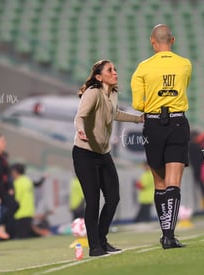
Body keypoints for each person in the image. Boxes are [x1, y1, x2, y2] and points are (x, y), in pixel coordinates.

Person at [73, 60, 143, 257]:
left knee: (113, 198)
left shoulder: (112, 93)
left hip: (103, 154)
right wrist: (80, 131)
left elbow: (114, 114)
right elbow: (80, 116)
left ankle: (101, 240)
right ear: (98, 76)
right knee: (93, 201)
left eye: (115, 69)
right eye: (110, 70)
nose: (115, 72)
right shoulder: (92, 93)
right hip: (85, 154)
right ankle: (94, 247)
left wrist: (138, 118)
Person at [131, 24, 192, 249]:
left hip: (153, 125)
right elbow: (184, 87)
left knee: (159, 183)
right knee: (174, 182)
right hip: (177, 121)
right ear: (172, 40)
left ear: (152, 41)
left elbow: (138, 104)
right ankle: (169, 235)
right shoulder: (185, 64)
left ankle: (165, 232)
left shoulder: (143, 68)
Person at [11, 163, 38, 239]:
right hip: (29, 212)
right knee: (27, 236)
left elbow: (17, 199)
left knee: (20, 237)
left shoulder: (17, 182)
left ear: (15, 172)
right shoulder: (28, 180)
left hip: (20, 213)